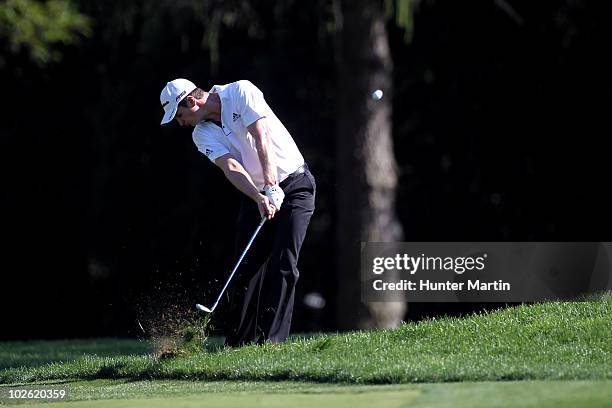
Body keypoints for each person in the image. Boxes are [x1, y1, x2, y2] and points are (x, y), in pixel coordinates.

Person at [159, 78, 316, 346]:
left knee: (283, 262)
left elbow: (261, 134)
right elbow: (230, 167)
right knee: (246, 267)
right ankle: (239, 343)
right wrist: (259, 196)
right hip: (255, 195)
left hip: (295, 185)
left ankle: (272, 342)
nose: (180, 122)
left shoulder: (240, 91)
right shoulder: (201, 134)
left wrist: (271, 184)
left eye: (179, 114)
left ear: (191, 101)